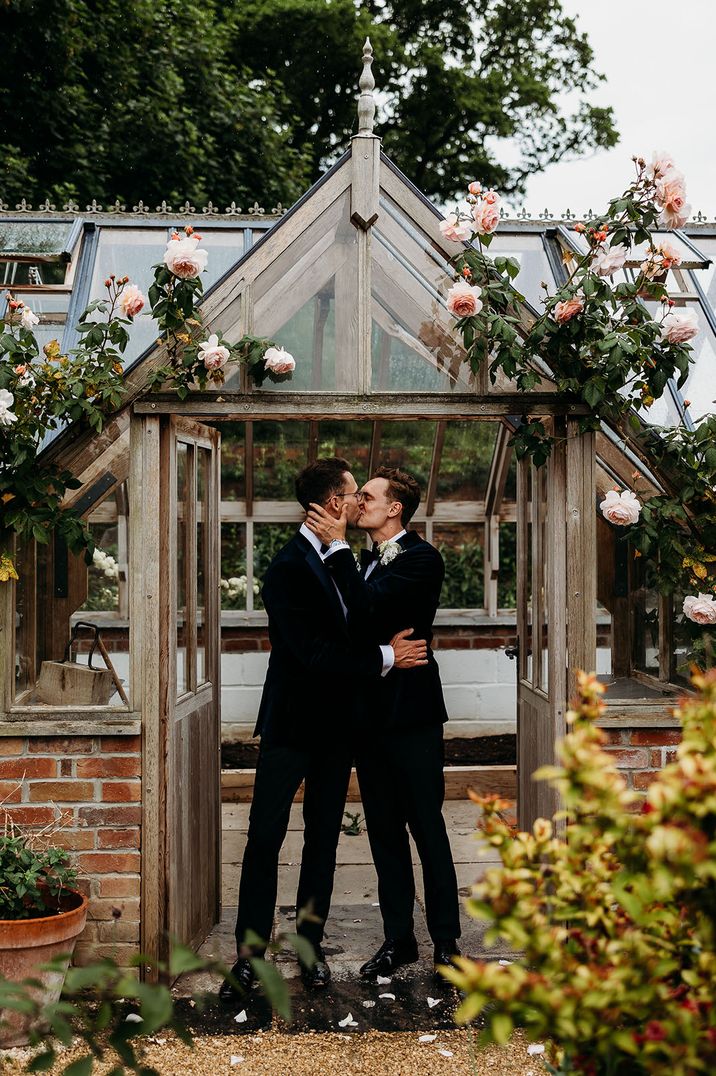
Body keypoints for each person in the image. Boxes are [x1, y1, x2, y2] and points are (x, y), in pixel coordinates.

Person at [219, 458, 428, 1003]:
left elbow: (362, 618)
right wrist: (385, 656)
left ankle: (310, 952)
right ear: (333, 503)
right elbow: (310, 653)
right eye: (353, 493)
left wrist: (378, 646)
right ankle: (249, 957)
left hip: (339, 730)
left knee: (322, 845)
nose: (359, 501)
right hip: (290, 727)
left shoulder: (348, 562)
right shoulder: (285, 567)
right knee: (264, 839)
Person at [306, 466, 461, 979]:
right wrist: (376, 645)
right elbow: (350, 624)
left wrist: (341, 555)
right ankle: (400, 940)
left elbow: (368, 607)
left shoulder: (422, 559)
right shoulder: (367, 561)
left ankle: (446, 943)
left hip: (411, 715)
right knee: (383, 833)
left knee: (426, 826)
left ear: (395, 508)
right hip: (367, 717)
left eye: (367, 497)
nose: (358, 504)